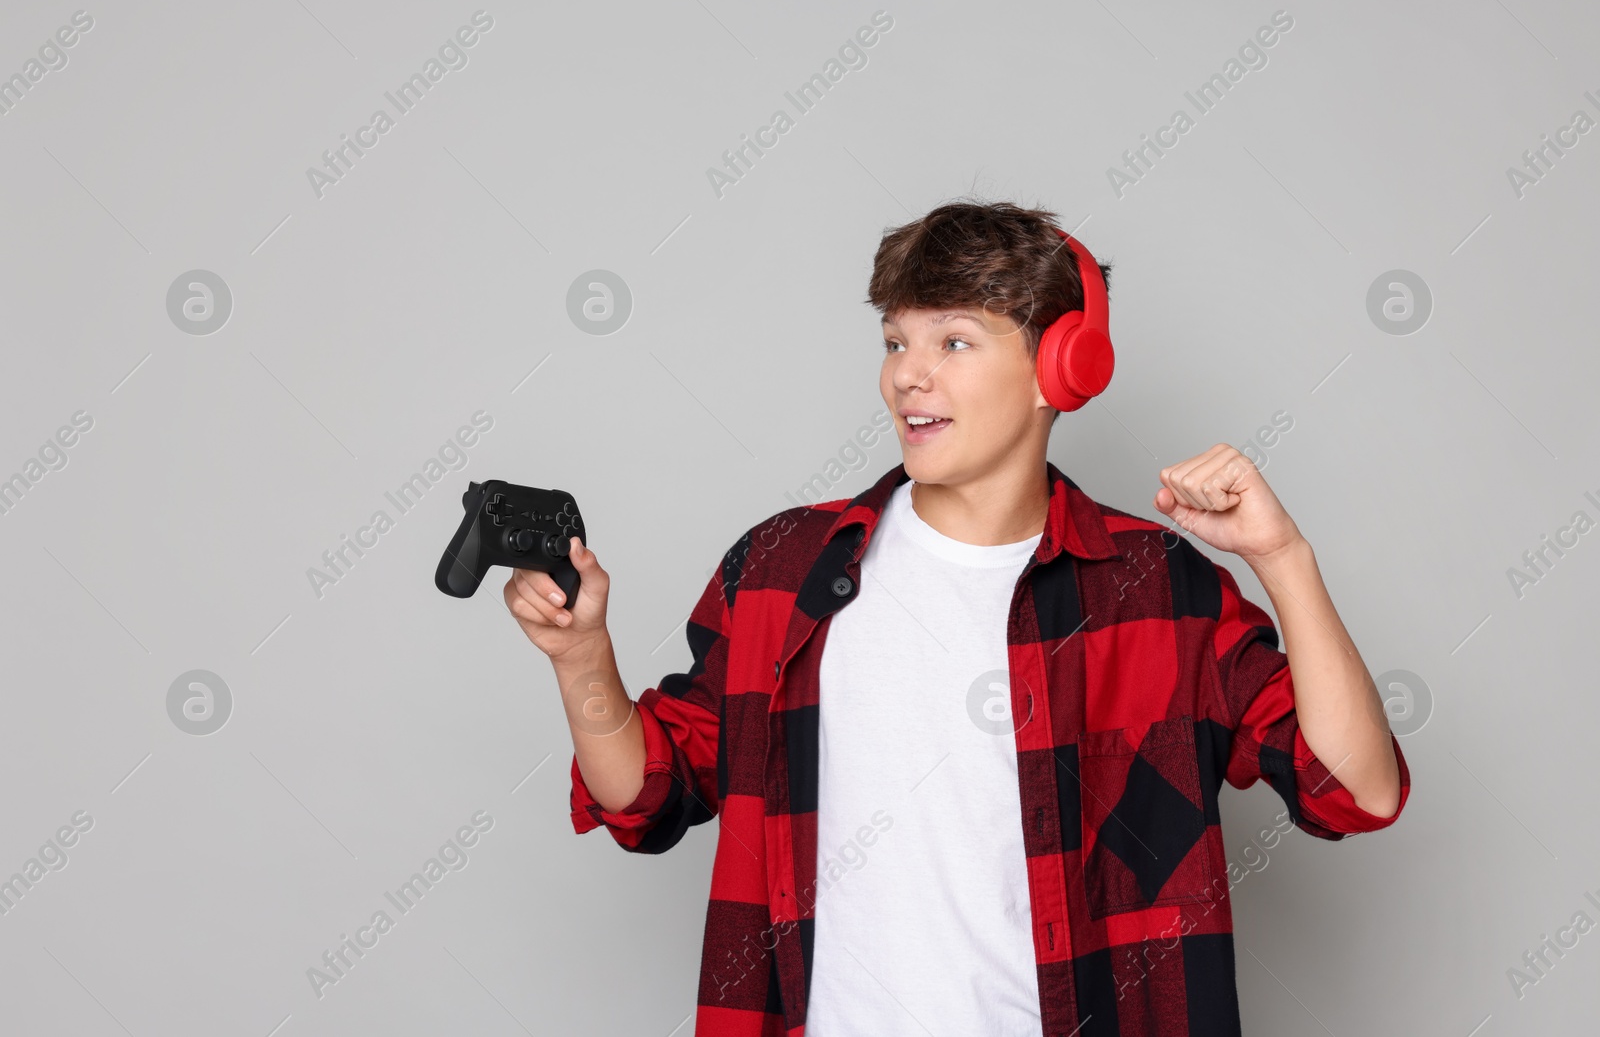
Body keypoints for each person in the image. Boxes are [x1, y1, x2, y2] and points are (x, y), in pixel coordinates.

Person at [503, 199, 1410, 1036]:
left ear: (1064, 368)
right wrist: (582, 659)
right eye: (896, 341)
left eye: (954, 341)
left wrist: (1283, 561)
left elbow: (1356, 791)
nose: (909, 375)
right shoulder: (781, 570)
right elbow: (652, 795)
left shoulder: (1154, 588)